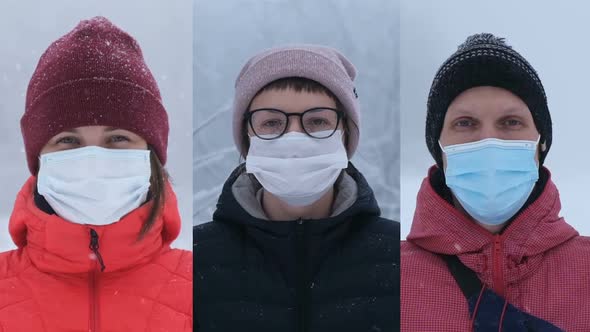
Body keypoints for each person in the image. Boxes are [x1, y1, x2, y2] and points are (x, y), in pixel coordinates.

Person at [0, 17, 192, 331]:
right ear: (39, 160)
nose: (92, 159)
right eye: (68, 141)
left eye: (118, 138)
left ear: (150, 157)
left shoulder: (207, 287)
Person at [194, 45, 400, 332]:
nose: (293, 139)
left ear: (345, 134)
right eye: (272, 122)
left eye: (317, 121)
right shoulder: (196, 263)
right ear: (247, 137)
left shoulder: (398, 259)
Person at [401, 33, 590, 331]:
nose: (488, 140)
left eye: (510, 122)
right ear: (440, 148)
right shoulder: (385, 278)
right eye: (465, 123)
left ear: (540, 144)